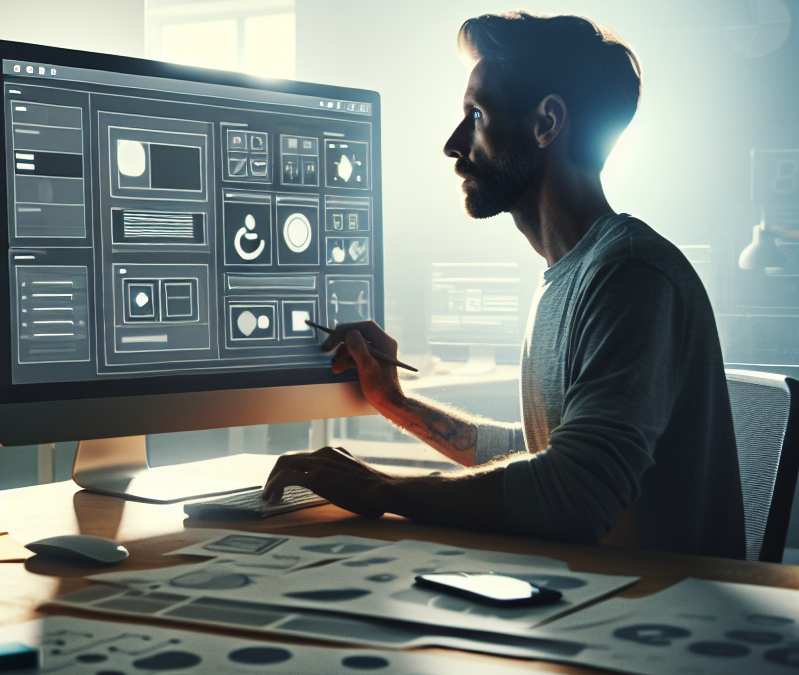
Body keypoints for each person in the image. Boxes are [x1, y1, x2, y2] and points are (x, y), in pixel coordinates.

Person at [262, 11, 746, 560]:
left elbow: (574, 494)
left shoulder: (631, 275)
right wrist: (396, 403)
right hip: (595, 600)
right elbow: (542, 455)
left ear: (546, 123)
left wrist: (380, 491)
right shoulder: (571, 274)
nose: (452, 142)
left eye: (476, 114)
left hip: (659, 620)